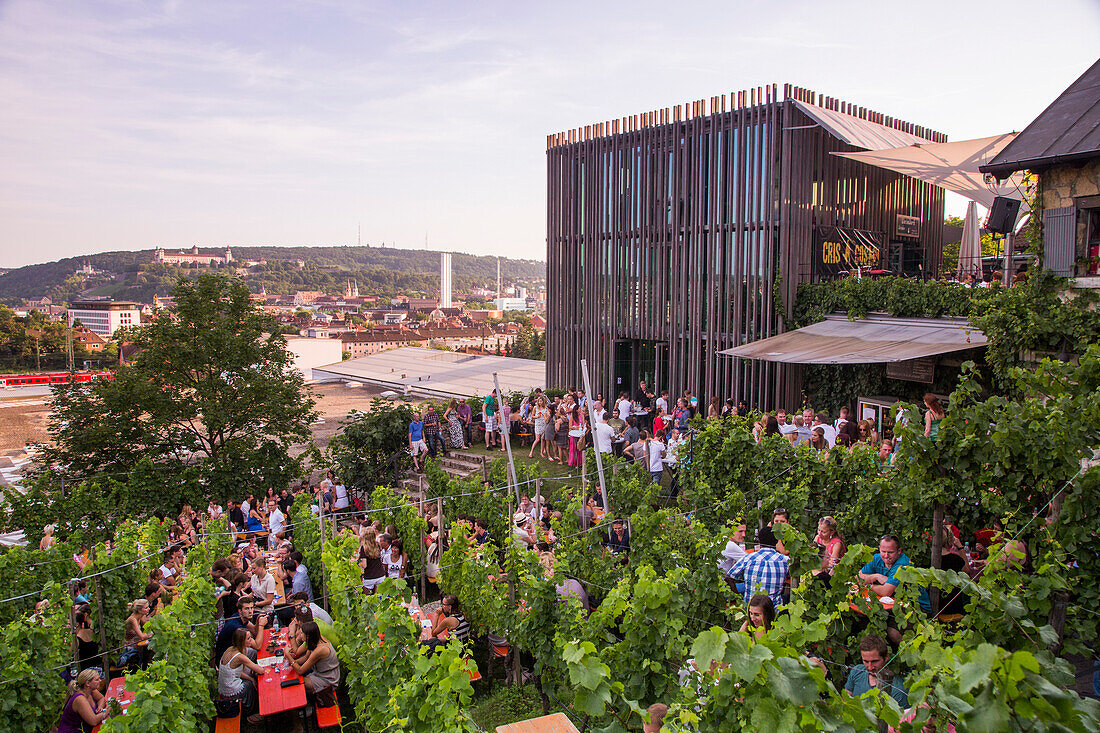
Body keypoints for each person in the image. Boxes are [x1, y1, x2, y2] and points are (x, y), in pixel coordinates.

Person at [859, 534, 931, 643]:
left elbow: (886, 591)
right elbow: (858, 577)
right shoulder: (877, 558)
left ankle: (907, 653)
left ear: (899, 551)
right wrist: (875, 576)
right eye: (883, 551)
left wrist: (869, 585)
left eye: (890, 552)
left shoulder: (902, 565)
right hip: (894, 604)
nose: (886, 556)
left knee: (891, 631)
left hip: (916, 607)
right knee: (864, 620)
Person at [727, 526, 788, 608]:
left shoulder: (748, 558)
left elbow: (729, 577)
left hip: (750, 610)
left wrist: (737, 594)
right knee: (787, 597)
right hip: (774, 610)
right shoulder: (785, 560)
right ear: (777, 541)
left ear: (759, 541)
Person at [844, 634, 908, 707]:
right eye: (866, 661)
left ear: (886, 657)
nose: (870, 667)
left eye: (874, 661)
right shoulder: (856, 672)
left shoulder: (898, 690)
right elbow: (846, 700)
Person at [218, 627, 265, 724]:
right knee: (251, 686)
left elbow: (234, 673)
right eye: (248, 638)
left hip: (225, 686)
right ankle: (252, 712)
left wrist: (250, 678)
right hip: (230, 690)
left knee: (251, 680)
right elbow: (260, 670)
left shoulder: (230, 649)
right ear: (241, 641)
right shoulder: (240, 657)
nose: (251, 640)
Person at [290, 621, 340, 701]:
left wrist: (289, 658)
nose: (300, 635)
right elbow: (305, 658)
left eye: (302, 633)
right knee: (294, 679)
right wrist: (291, 664)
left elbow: (300, 671)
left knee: (298, 683)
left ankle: (305, 706)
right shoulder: (316, 639)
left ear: (308, 636)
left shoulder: (320, 650)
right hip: (320, 673)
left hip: (328, 679)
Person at [56, 668, 107, 732]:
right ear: (88, 683)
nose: (100, 681)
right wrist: (107, 710)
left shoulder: (90, 690)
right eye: (97, 680)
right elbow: (93, 721)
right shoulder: (80, 699)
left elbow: (101, 698)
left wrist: (100, 707)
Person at [121, 599, 152, 669]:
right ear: (139, 610)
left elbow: (146, 624)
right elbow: (142, 637)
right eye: (146, 608)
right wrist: (151, 633)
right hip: (129, 648)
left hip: (137, 645)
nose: (148, 609)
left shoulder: (140, 616)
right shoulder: (133, 619)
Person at [359, 527, 386, 593]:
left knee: (367, 599)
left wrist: (359, 564)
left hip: (369, 576)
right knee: (379, 599)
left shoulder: (364, 548)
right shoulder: (377, 544)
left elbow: (364, 565)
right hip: (380, 574)